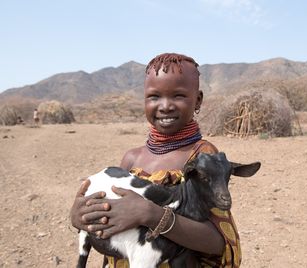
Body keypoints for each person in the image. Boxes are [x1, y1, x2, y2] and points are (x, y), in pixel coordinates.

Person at [70, 53, 241, 267]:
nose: (165, 105)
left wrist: (151, 214)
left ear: (197, 100)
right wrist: (80, 218)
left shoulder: (203, 158)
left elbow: (218, 242)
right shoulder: (132, 158)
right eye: (154, 96)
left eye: (178, 96)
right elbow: (112, 225)